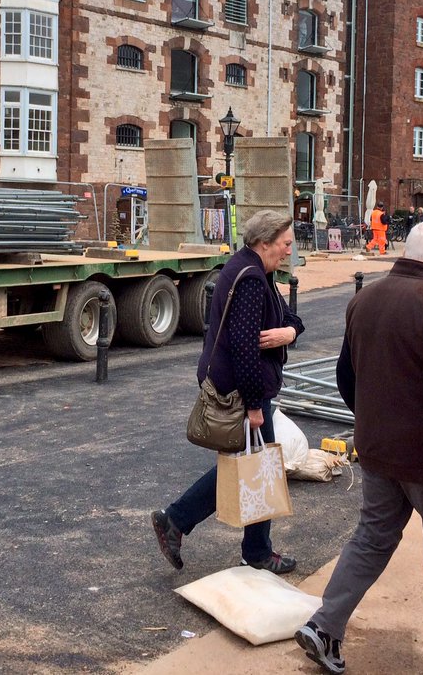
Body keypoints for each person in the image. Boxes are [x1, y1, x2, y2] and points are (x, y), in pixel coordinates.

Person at [294, 221, 423, 675]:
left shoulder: (364, 300)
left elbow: (345, 376)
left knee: (371, 539)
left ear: (405, 253)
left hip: (378, 451)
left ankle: (324, 625)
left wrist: (373, 421)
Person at [152, 210, 305, 574]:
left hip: (235, 385)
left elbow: (289, 318)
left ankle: (193, 527)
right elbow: (244, 349)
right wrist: (253, 404)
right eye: (285, 244)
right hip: (242, 391)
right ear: (265, 242)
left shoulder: (248, 269)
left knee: (249, 464)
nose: (288, 251)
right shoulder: (252, 280)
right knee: (258, 466)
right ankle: (242, 546)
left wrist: (290, 333)